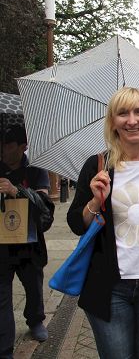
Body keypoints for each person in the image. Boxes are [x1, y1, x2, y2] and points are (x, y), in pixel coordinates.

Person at [67, 87, 139, 359]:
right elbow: (77, 224)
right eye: (123, 113)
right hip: (110, 286)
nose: (132, 120)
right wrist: (94, 202)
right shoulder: (98, 165)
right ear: (112, 121)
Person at [0, 125, 54, 359]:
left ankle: (35, 320)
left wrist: (15, 190)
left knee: (33, 287)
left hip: (29, 244)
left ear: (23, 147)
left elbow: (45, 208)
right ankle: (4, 349)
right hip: (2, 245)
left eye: (8, 145)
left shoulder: (36, 170)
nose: (3, 150)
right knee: (2, 299)